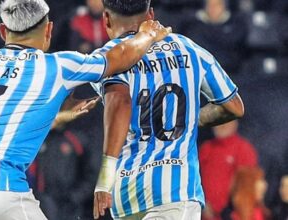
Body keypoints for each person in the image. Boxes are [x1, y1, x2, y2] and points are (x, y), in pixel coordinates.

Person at [0, 0, 171, 219]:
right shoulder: (55, 64)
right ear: (49, 30)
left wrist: (55, 114)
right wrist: (147, 34)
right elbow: (120, 57)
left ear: (2, 31)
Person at [90, 0, 244, 219]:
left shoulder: (107, 57)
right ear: (151, 15)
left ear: (106, 18)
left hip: (125, 193)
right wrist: (193, 118)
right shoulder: (189, 48)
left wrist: (105, 179)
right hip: (174, 190)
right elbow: (234, 106)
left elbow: (119, 102)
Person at [199, 120, 258, 220]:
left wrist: (229, 210)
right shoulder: (206, 148)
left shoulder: (243, 149)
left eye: (226, 121)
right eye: (219, 121)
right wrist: (202, 202)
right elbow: (195, 178)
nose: (222, 125)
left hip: (232, 214)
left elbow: (246, 187)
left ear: (235, 123)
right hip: (205, 213)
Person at [183, 0, 247, 74]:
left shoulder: (237, 25)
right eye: (209, 5)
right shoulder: (193, 27)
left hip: (230, 74)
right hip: (201, 74)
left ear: (224, 7)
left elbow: (234, 53)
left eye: (217, 5)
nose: (213, 8)